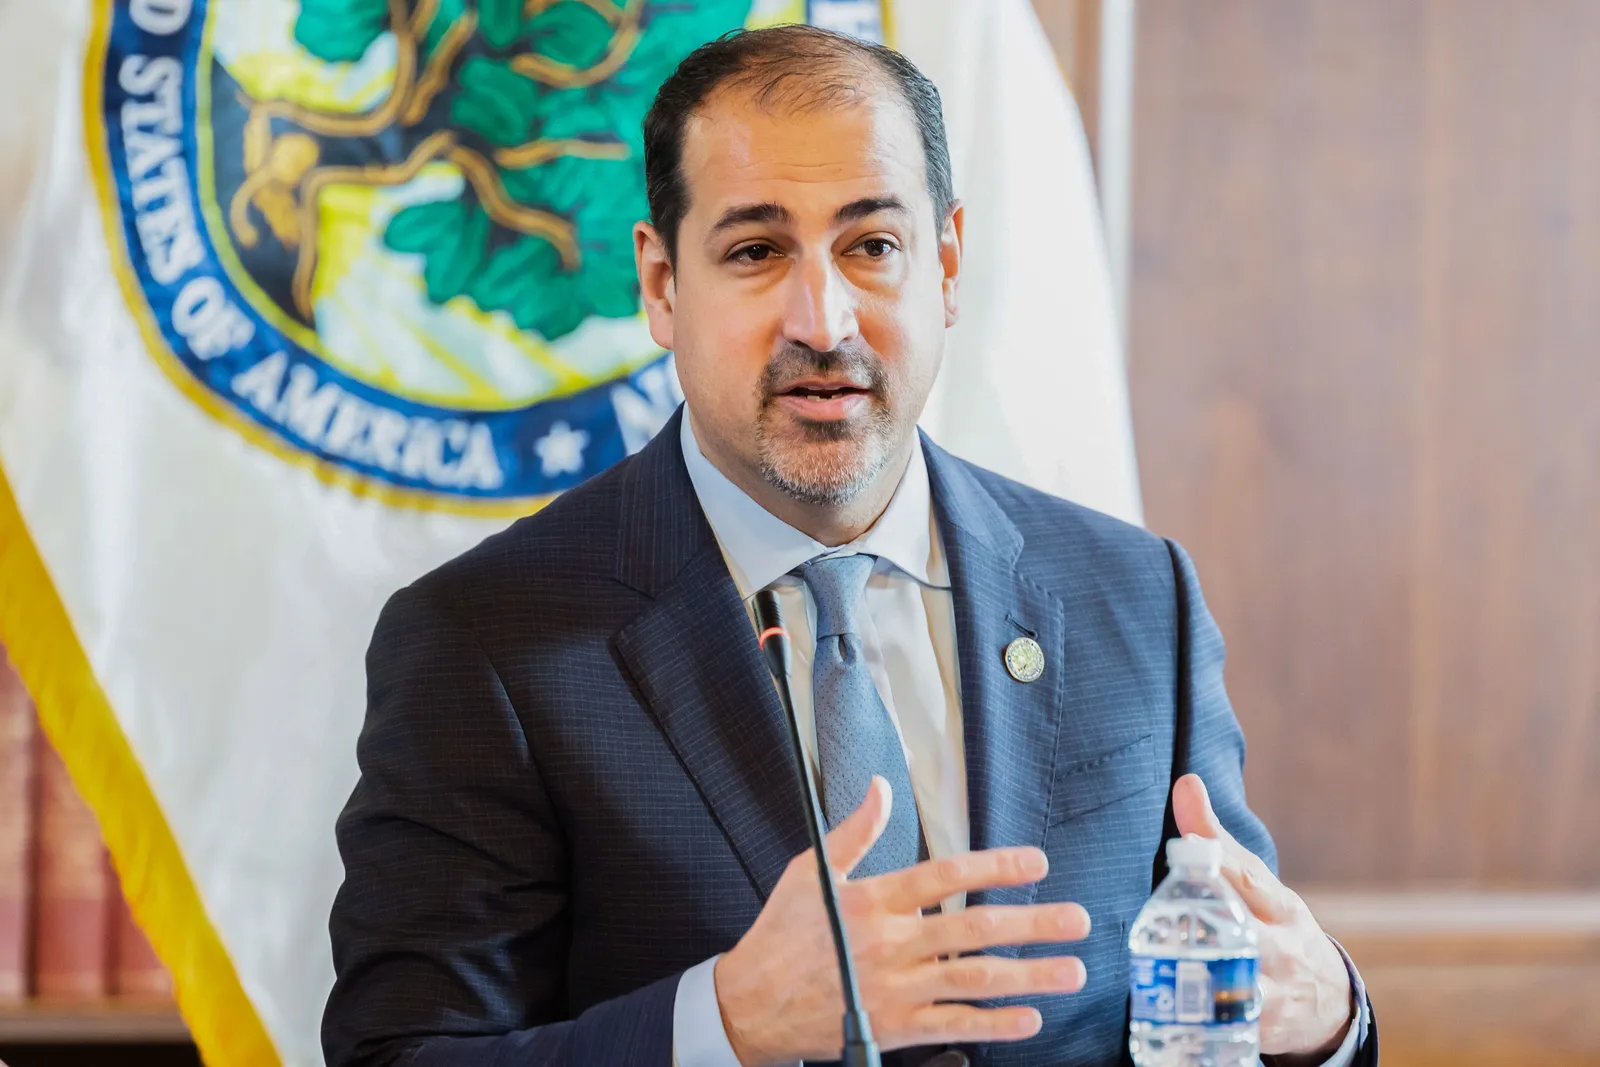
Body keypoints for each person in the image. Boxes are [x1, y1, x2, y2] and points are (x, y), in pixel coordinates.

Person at [322, 25, 1375, 1067]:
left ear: (947, 264)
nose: (822, 319)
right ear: (659, 282)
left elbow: (1236, 993)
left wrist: (1328, 1018)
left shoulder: (1139, 596)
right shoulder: (479, 640)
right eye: (754, 250)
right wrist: (725, 1024)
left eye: (870, 246)